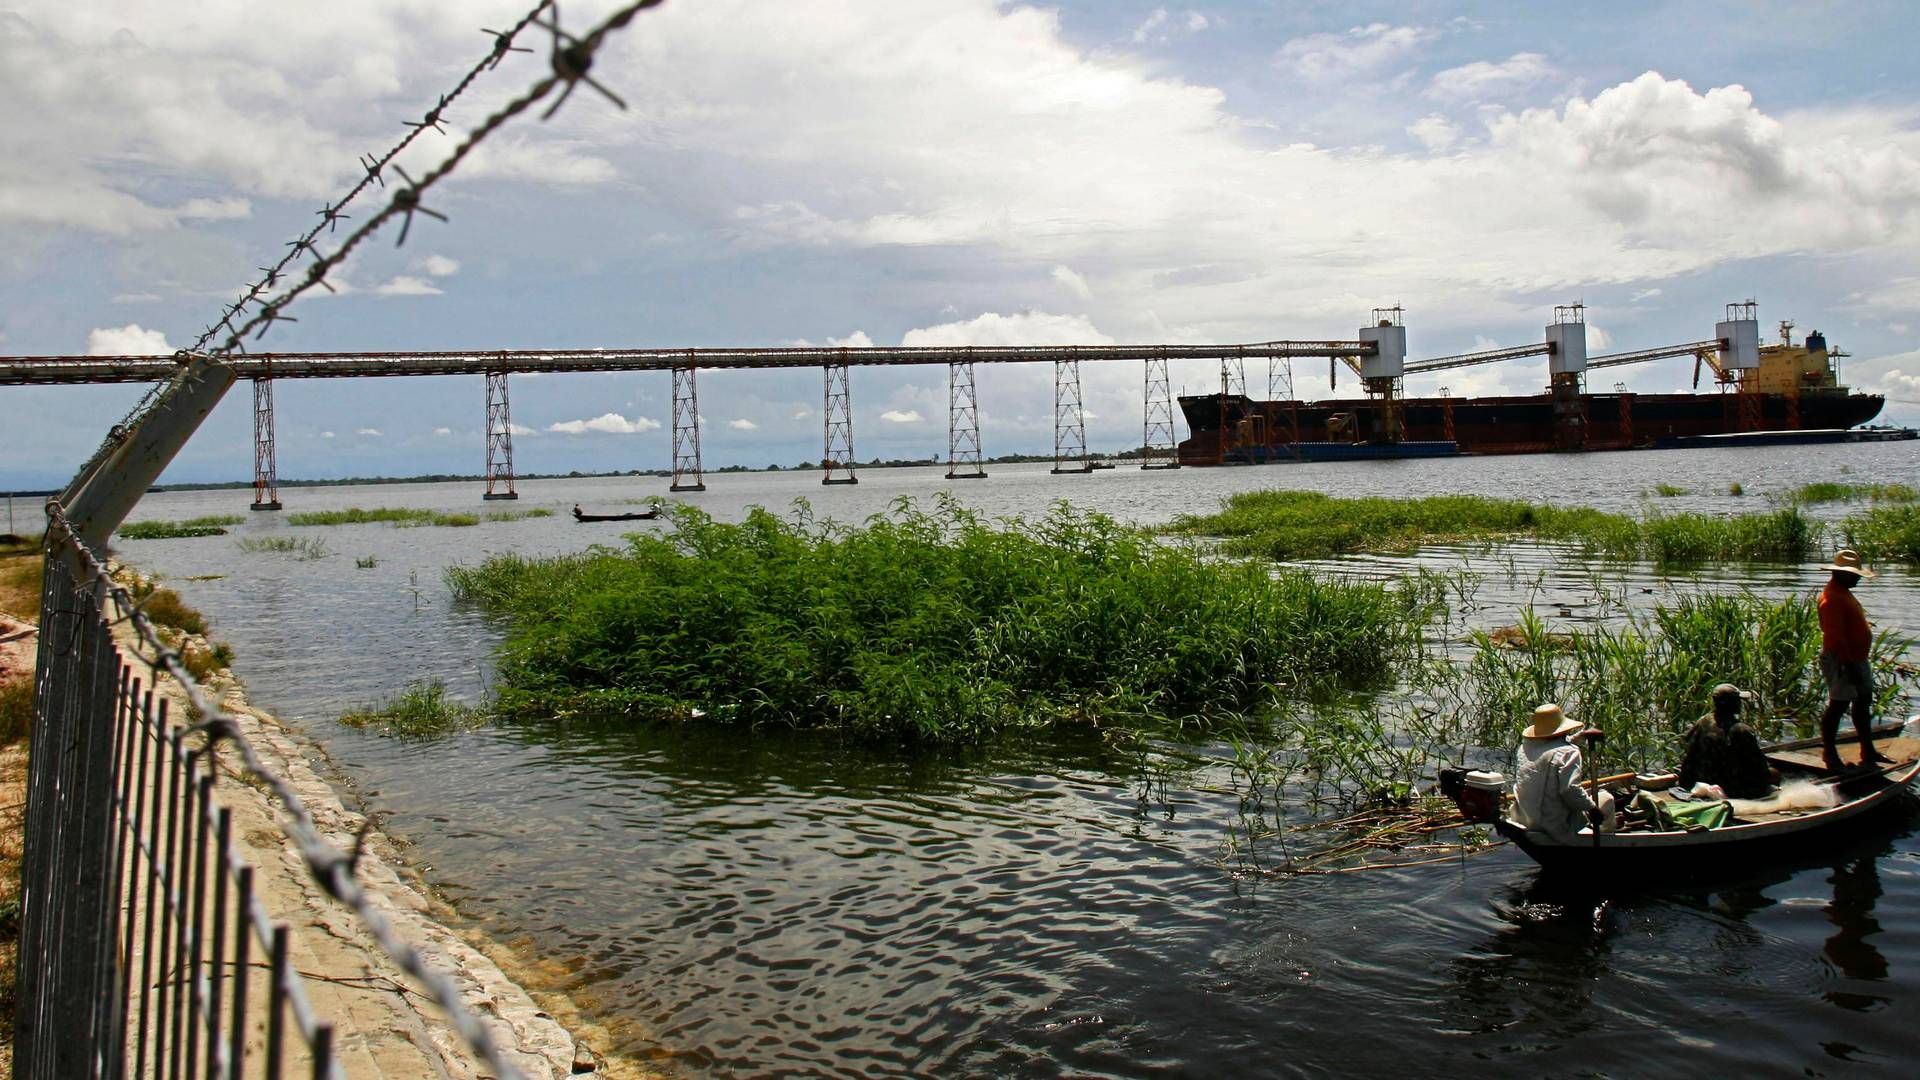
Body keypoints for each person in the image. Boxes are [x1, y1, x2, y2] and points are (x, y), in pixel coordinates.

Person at [1817, 549, 1891, 770]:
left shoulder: (1842, 592)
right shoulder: (1831, 599)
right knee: (1838, 705)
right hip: (1842, 659)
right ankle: (1829, 753)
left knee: (1862, 702)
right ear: (1840, 574)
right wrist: (1849, 665)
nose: (1858, 578)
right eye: (1854, 574)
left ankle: (1868, 751)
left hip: (1855, 658)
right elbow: (1836, 637)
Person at [1511, 703, 1614, 843]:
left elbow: (1553, 750)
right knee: (1608, 798)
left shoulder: (1524, 747)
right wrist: (1592, 809)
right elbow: (1570, 789)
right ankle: (1605, 835)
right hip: (1554, 825)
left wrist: (1582, 736)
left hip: (1524, 819)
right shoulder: (1569, 752)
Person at [1676, 683, 1774, 799]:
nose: (1740, 704)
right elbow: (1759, 767)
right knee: (1775, 774)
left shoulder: (1703, 722)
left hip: (1703, 779)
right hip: (1731, 788)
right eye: (1738, 701)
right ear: (1733, 704)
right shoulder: (1741, 730)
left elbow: (1689, 751)